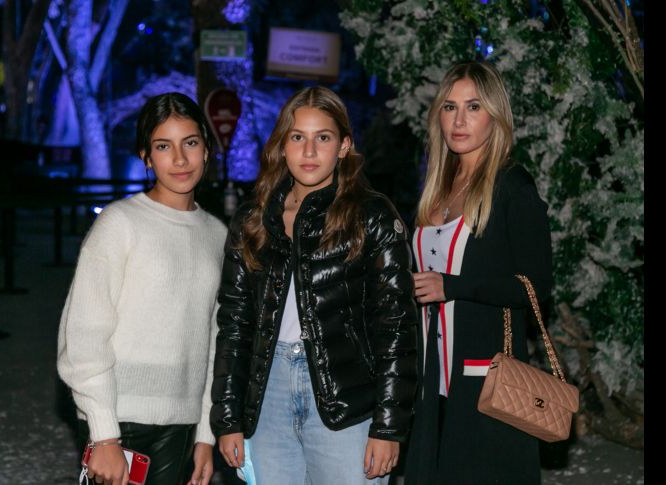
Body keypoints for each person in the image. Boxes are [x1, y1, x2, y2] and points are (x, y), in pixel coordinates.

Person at [210, 86, 418, 484]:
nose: (309, 152)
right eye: (297, 137)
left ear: (343, 147)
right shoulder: (254, 218)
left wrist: (388, 427)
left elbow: (396, 328)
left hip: (347, 399)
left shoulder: (371, 216)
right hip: (267, 394)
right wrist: (229, 416)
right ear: (282, 146)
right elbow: (235, 323)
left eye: (322, 137)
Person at [57, 92, 227, 485]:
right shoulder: (119, 225)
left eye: (190, 143)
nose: (180, 159)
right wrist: (104, 434)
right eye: (163, 146)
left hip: (182, 426)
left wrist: (205, 433)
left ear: (206, 146)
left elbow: (215, 343)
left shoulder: (217, 235)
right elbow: (83, 335)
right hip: (120, 420)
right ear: (147, 158)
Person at [403, 61, 552, 484]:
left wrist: (453, 286)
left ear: (495, 115)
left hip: (484, 377)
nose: (460, 120)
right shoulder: (438, 186)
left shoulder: (512, 186)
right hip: (433, 378)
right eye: (450, 107)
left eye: (473, 107)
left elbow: (536, 286)